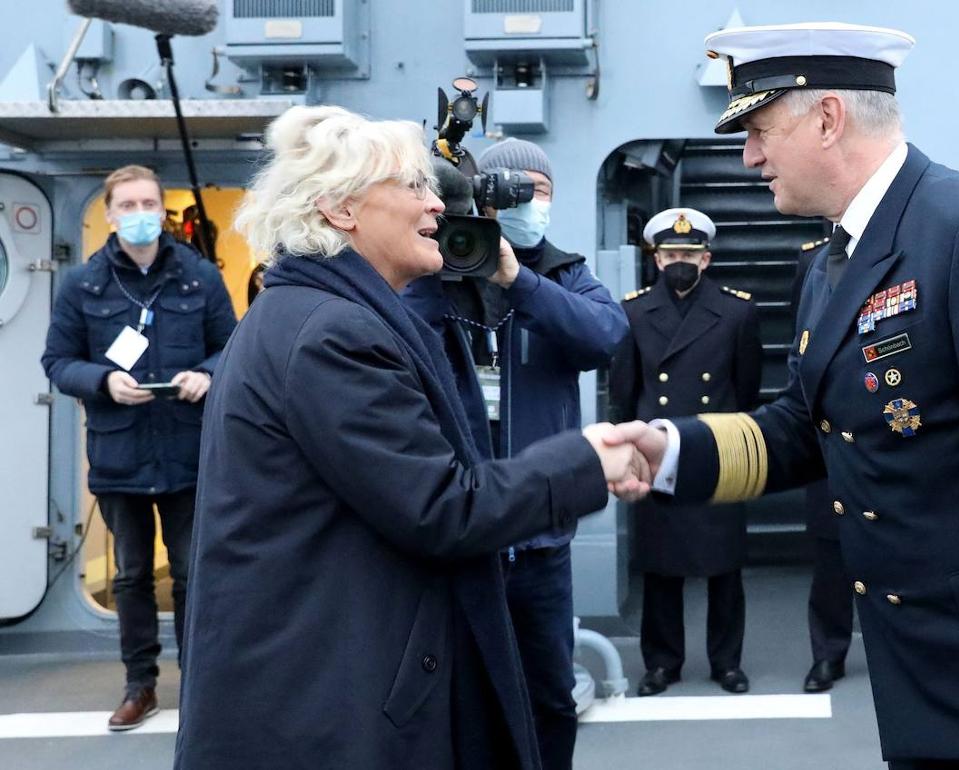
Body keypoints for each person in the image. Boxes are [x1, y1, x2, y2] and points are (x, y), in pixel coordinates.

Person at [609, 21, 959, 770]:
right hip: (929, 675)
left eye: (760, 130)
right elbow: (807, 426)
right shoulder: (835, 260)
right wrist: (670, 449)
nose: (750, 156)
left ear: (828, 118)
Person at [172, 106, 646, 770]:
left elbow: (603, 335)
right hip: (326, 706)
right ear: (340, 209)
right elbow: (440, 506)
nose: (439, 205)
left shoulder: (314, 313)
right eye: (414, 186)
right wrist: (587, 460)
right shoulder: (333, 334)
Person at [403, 138, 628, 770]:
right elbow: (394, 334)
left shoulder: (562, 273)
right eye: (513, 191)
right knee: (457, 694)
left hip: (539, 536)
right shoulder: (434, 270)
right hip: (457, 528)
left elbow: (606, 336)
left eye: (540, 192)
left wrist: (518, 281)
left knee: (549, 695)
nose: (529, 203)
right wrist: (443, 264)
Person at [40, 164, 237, 731]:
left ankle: (201, 685)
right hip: (119, 455)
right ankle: (140, 685)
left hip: (187, 453)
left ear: (161, 209)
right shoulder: (83, 285)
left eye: (149, 203)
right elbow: (57, 361)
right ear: (109, 214)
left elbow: (233, 347)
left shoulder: (199, 277)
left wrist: (207, 373)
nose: (141, 214)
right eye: (128, 205)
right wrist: (103, 381)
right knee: (130, 576)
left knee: (193, 573)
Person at [608, 208, 762, 696]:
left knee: (725, 565)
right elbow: (625, 393)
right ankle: (662, 663)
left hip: (717, 446)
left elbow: (747, 389)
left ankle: (727, 662)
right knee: (661, 565)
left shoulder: (738, 312)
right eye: (671, 253)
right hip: (658, 451)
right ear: (656, 259)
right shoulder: (632, 312)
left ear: (706, 259)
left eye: (689, 255)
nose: (680, 261)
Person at [792, 235, 854, 693]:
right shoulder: (814, 261)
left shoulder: (913, 246)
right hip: (831, 437)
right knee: (831, 560)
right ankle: (828, 655)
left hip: (893, 429)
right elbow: (802, 345)